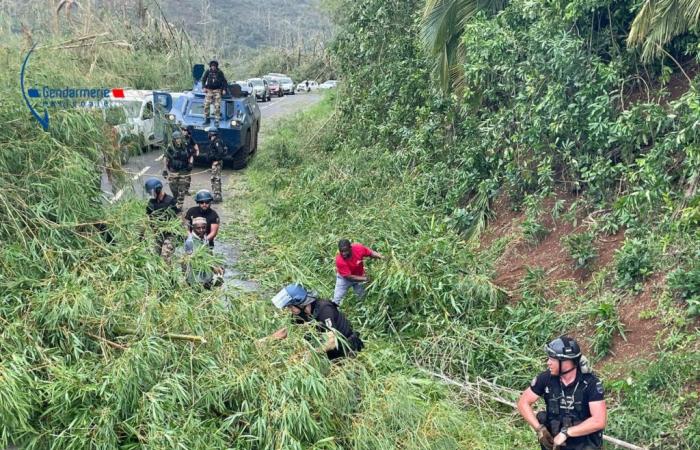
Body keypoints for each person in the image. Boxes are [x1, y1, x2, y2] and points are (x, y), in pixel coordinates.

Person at [517, 336, 607, 450]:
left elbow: (599, 421)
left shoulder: (590, 383)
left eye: (552, 359)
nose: (548, 363)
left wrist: (566, 433)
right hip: (556, 445)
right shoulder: (546, 378)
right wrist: (539, 429)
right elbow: (523, 403)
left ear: (566, 362)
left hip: (583, 445)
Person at [268, 283, 364, 360]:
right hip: (327, 351)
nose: (289, 309)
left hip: (346, 349)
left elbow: (332, 341)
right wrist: (267, 341)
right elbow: (289, 330)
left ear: (300, 303)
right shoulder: (300, 313)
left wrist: (309, 355)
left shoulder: (324, 310)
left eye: (290, 306)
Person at [333, 239, 383, 306]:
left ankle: (361, 309)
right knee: (337, 299)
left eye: (346, 251)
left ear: (350, 248)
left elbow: (370, 253)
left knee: (362, 298)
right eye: (341, 251)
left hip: (359, 276)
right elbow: (349, 277)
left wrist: (381, 257)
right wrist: (365, 279)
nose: (343, 253)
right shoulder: (339, 260)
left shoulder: (358, 248)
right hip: (344, 279)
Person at [184, 216, 224, 288]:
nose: (201, 230)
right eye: (198, 228)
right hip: (196, 276)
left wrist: (215, 264)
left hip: (206, 271)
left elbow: (208, 254)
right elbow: (191, 260)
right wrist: (212, 267)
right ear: (193, 228)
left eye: (203, 227)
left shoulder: (204, 238)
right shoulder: (190, 241)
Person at [144, 178, 178, 259]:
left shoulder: (170, 201)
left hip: (170, 234)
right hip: (156, 234)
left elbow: (178, 217)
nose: (150, 194)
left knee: (165, 256)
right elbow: (147, 217)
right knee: (152, 255)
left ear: (158, 189)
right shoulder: (151, 203)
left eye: (151, 192)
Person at [162, 130, 195, 211]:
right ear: (173, 139)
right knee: (173, 186)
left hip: (184, 171)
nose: (178, 140)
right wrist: (164, 169)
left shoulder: (186, 145)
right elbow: (165, 158)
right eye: (176, 139)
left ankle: (179, 205)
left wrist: (190, 163)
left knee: (182, 188)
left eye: (179, 138)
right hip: (173, 171)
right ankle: (176, 199)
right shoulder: (170, 147)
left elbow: (191, 155)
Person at [200, 60, 228, 126]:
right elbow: (203, 79)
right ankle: (207, 119)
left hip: (217, 90)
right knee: (206, 105)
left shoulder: (219, 72)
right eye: (212, 66)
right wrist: (203, 87)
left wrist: (224, 89)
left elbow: (224, 82)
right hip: (209, 90)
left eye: (214, 66)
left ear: (216, 66)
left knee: (217, 105)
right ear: (210, 66)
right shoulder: (208, 71)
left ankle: (217, 120)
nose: (213, 67)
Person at [207, 127, 226, 203]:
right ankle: (216, 195)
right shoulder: (214, 141)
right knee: (214, 179)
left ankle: (217, 197)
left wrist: (217, 161)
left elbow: (220, 152)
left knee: (216, 179)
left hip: (216, 163)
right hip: (214, 162)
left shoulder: (217, 142)